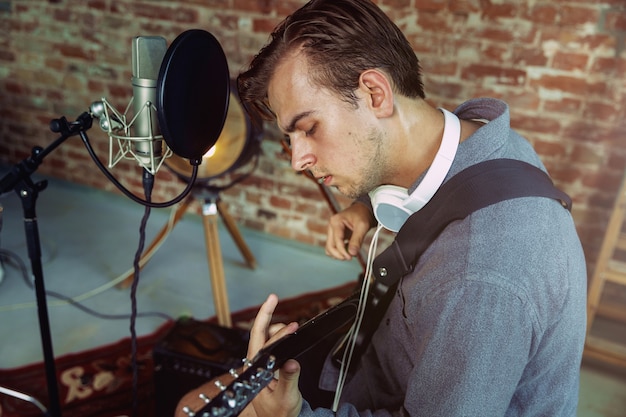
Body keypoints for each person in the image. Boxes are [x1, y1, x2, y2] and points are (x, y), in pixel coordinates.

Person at [176, 0, 587, 416]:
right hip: (369, 365)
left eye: (309, 129)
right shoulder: (489, 147)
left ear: (375, 93)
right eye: (290, 137)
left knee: (192, 409)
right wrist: (366, 205)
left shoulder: (480, 277)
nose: (297, 159)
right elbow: (453, 180)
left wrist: (290, 415)